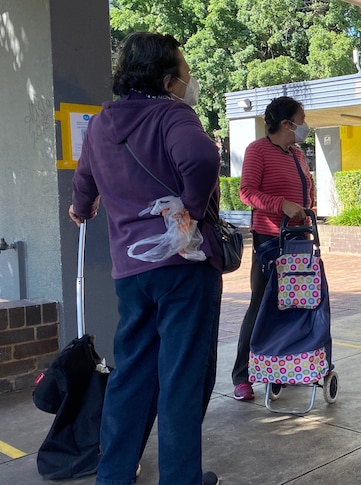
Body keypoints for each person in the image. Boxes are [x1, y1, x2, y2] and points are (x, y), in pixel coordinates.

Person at [69, 32, 221, 485]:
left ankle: (114, 474)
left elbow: (84, 180)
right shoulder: (172, 115)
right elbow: (200, 158)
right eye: (185, 73)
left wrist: (82, 206)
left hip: (131, 271)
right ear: (168, 79)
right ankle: (180, 479)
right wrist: (190, 210)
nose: (189, 82)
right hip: (183, 268)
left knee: (131, 372)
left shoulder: (100, 124)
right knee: (182, 376)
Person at [230, 96, 314, 401]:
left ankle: (282, 367)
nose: (305, 125)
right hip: (269, 240)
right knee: (261, 304)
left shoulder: (297, 154)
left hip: (300, 239)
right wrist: (282, 205)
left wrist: (307, 204)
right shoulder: (258, 151)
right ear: (286, 123)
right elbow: (246, 192)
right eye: (301, 119)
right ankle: (242, 375)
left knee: (293, 305)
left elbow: (307, 187)